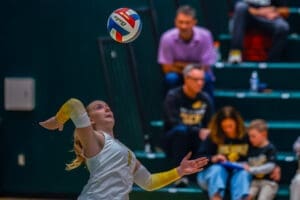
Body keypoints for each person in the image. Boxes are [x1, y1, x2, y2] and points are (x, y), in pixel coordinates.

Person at [39, 98, 208, 199]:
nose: (106, 108)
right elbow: (74, 105)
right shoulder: (95, 139)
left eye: (108, 106)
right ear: (89, 120)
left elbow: (149, 182)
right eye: (99, 107)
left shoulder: (127, 152)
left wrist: (179, 171)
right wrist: (58, 120)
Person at [162, 65, 214, 187]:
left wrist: (205, 132)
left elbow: (210, 123)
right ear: (186, 79)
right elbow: (174, 122)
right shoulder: (173, 96)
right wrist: (198, 131)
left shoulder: (205, 99)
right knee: (181, 131)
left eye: (202, 79)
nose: (200, 83)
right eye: (196, 80)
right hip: (173, 141)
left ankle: (204, 173)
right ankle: (180, 175)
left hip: (194, 142)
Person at [157, 5, 217, 99]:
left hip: (199, 75)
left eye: (187, 22)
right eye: (180, 22)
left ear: (194, 22)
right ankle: (170, 112)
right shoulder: (166, 38)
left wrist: (178, 64)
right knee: (170, 79)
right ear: (175, 22)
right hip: (178, 76)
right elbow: (167, 68)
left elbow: (205, 67)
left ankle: (209, 112)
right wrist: (194, 66)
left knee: (206, 78)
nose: (183, 26)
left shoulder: (206, 36)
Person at [197, 106, 251, 200]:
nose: (228, 130)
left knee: (243, 173)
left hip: (236, 178)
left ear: (237, 123)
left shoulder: (247, 136)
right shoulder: (213, 136)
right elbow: (199, 158)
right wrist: (213, 158)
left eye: (230, 126)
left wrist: (273, 165)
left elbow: (263, 153)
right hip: (212, 177)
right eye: (224, 127)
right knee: (218, 169)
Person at [244, 119, 278, 200]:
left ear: (263, 134)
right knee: (246, 196)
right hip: (254, 182)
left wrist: (252, 170)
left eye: (253, 136)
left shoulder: (270, 148)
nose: (251, 139)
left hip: (268, 182)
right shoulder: (251, 148)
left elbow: (270, 166)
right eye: (249, 136)